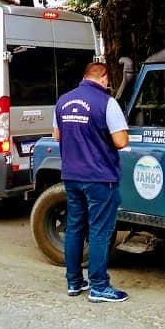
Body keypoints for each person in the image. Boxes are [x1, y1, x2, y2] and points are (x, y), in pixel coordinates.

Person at [53, 61, 130, 302]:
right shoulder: (107, 102)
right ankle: (99, 287)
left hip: (71, 176)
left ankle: (74, 282)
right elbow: (121, 141)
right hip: (99, 178)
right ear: (105, 78)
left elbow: (57, 135)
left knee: (75, 227)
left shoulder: (63, 101)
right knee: (99, 231)